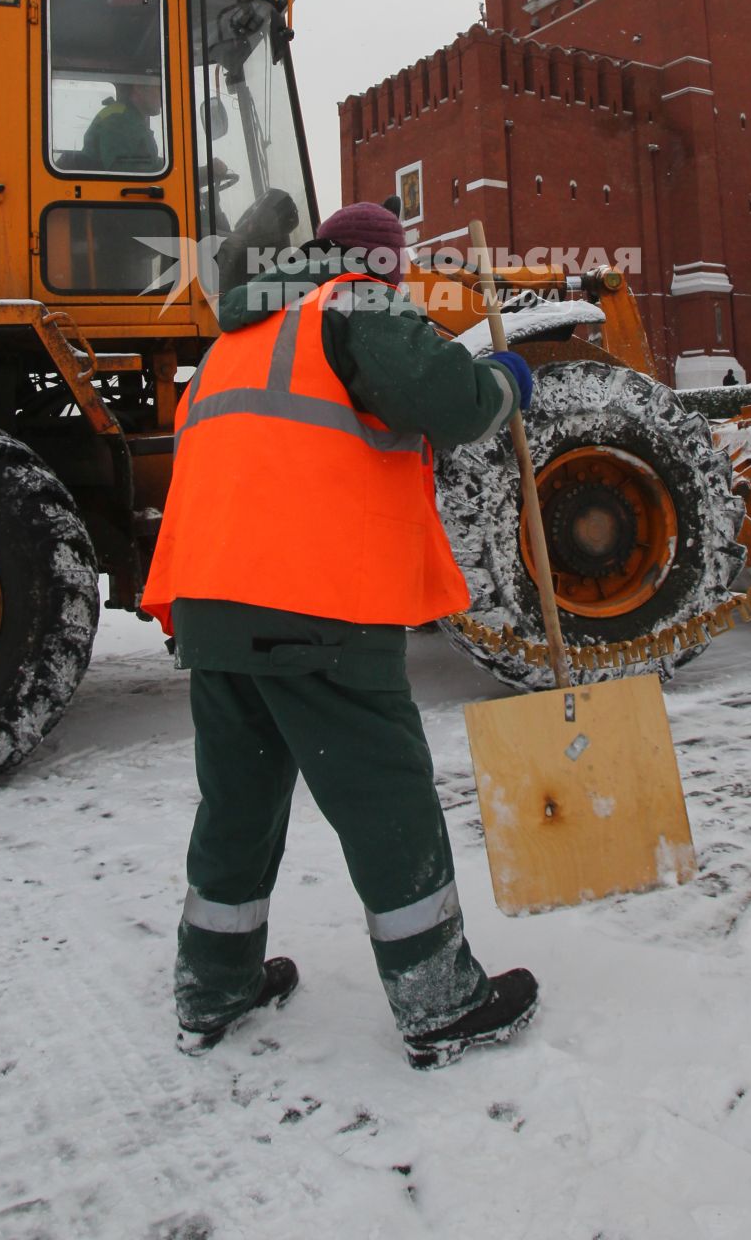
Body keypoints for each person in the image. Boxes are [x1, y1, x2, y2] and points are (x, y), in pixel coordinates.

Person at [141, 201, 540, 1069]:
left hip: (210, 603)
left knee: (238, 804)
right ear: (379, 264)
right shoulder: (357, 305)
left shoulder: (232, 342)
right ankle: (440, 1004)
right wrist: (508, 374)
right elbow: (456, 402)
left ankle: (213, 988)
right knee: (384, 798)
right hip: (313, 604)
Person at [81, 77, 163, 170]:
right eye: (159, 88)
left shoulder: (131, 118)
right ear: (139, 87)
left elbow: (146, 161)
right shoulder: (119, 120)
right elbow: (121, 171)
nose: (163, 95)